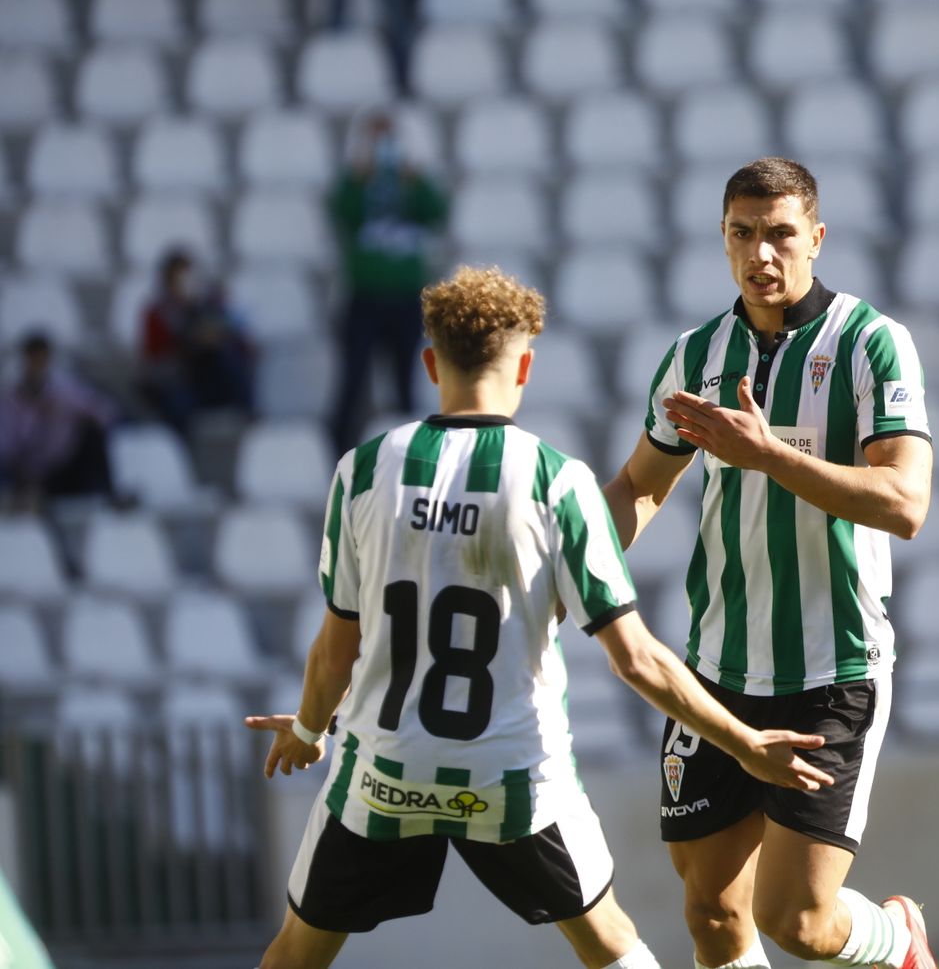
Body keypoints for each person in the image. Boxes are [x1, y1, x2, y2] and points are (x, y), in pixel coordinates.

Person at [246, 266, 833, 969]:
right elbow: (635, 659)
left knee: (294, 956)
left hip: (384, 774)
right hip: (512, 780)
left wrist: (312, 730)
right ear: (525, 366)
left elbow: (334, 653)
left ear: (431, 363)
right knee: (612, 946)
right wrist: (743, 743)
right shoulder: (556, 479)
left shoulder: (365, 471)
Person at [602, 158, 937, 969]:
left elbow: (904, 503)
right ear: (722, 241)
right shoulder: (696, 358)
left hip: (832, 667)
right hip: (717, 670)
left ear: (816, 239)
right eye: (743, 235)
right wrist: (565, 573)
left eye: (781, 234)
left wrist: (769, 455)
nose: (762, 255)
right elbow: (640, 489)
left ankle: (896, 944)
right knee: (714, 910)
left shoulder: (872, 344)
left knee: (798, 920)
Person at [327, 111, 450, 451]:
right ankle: (341, 452)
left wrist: (415, 178)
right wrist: (359, 174)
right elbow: (341, 211)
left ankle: (409, 456)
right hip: (365, 295)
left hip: (405, 296)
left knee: (405, 383)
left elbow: (436, 211)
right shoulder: (357, 180)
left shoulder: (412, 179)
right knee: (353, 381)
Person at [140, 246, 255, 434]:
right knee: (177, 401)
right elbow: (155, 363)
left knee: (228, 357)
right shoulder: (157, 314)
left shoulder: (212, 306)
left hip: (212, 381)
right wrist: (188, 343)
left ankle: (250, 426)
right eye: (178, 279)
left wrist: (216, 334)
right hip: (183, 384)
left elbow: (243, 344)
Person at [0, 332, 116, 510]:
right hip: (32, 473)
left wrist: (71, 414)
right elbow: (8, 450)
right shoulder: (11, 401)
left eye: (42, 360)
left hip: (66, 469)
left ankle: (106, 496)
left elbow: (105, 413)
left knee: (92, 436)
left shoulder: (64, 391)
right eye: (33, 360)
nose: (38, 366)